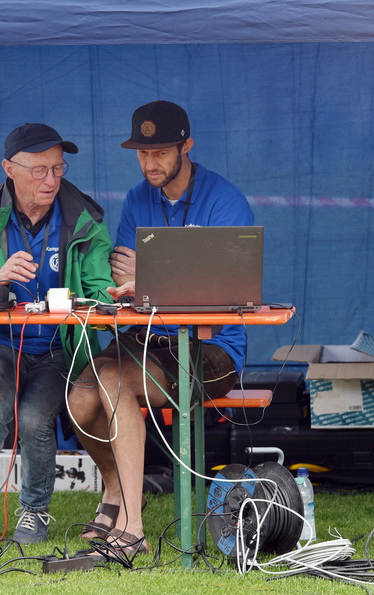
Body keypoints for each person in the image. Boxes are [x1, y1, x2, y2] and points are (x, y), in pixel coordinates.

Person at [68, 101, 255, 558]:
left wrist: (152, 277)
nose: (150, 163)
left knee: (112, 382)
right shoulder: (137, 198)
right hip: (146, 337)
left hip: (211, 348)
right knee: (79, 399)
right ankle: (117, 489)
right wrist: (170, 280)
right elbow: (120, 277)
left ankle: (131, 530)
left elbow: (228, 291)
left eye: (161, 152)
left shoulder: (226, 201)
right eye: (142, 153)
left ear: (186, 147)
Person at [0, 123, 115, 550]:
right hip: (1, 344)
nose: (51, 180)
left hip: (59, 348)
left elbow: (101, 293)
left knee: (36, 417)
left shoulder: (85, 218)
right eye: (39, 170)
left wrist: (103, 299)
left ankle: (35, 509)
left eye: (58, 168)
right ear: (9, 169)